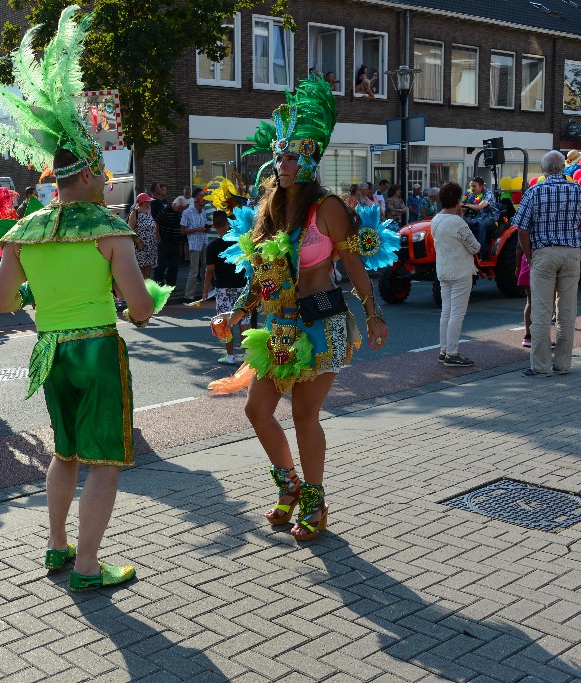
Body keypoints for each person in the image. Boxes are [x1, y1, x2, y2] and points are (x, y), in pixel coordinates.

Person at [0, 5, 165, 591]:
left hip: (52, 353)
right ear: (86, 173)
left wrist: (40, 288)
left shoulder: (25, 230)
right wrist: (145, 295)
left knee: (65, 456)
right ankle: (88, 565)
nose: (107, 175)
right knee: (104, 462)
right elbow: (139, 308)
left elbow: (3, 305)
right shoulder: (110, 228)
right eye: (102, 166)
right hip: (96, 351)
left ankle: (57, 549)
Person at [216, 74, 389, 542]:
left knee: (303, 415)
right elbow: (259, 279)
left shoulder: (327, 207)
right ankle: (288, 485)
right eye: (280, 154)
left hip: (323, 322)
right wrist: (232, 315)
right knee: (257, 409)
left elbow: (352, 262)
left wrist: (372, 312)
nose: (283, 162)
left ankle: (315, 502)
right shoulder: (266, 212)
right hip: (280, 326)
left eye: (292, 155)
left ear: (311, 157)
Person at [514, 150, 581, 377]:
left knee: (541, 311)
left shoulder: (534, 191)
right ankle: (562, 364)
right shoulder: (579, 190)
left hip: (544, 252)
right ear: (562, 167)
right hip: (570, 253)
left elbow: (522, 229)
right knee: (567, 312)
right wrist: (579, 249)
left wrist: (530, 256)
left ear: (544, 169)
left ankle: (540, 367)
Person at [431, 182, 480, 367]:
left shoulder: (435, 220)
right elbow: (475, 247)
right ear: (457, 200)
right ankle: (452, 353)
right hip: (460, 271)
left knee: (446, 312)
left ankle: (444, 350)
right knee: (457, 314)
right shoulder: (458, 222)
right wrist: (461, 218)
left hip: (443, 270)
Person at [203, 210, 249, 364]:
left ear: (214, 225)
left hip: (223, 288)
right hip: (241, 285)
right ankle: (247, 355)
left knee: (224, 322)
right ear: (228, 224)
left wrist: (205, 292)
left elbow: (210, 270)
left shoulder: (213, 246)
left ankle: (230, 355)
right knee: (243, 320)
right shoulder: (239, 242)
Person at [181, 187, 210, 300]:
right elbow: (183, 231)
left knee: (206, 269)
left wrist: (206, 229)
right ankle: (189, 295)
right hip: (194, 244)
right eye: (202, 196)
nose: (204, 198)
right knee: (194, 270)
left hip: (204, 242)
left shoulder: (203, 212)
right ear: (196, 198)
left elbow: (204, 228)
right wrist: (198, 229)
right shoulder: (187, 212)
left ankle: (206, 294)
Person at [463, 176, 499, 258]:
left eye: (474, 186)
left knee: (481, 225)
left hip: (490, 217)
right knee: (465, 222)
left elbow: (480, 206)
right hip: (477, 216)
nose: (472, 188)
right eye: (471, 186)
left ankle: (479, 251)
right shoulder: (471, 194)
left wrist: (467, 205)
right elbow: (465, 207)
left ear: (481, 186)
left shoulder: (488, 194)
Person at [153, 196, 185, 287]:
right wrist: (158, 238)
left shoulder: (180, 213)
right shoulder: (165, 211)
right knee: (161, 265)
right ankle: (158, 283)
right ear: (175, 205)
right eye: (179, 208)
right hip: (164, 242)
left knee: (174, 265)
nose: (180, 210)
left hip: (175, 243)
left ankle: (171, 284)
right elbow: (156, 223)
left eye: (181, 208)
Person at [128, 192, 159, 278]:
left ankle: (147, 288)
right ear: (143, 202)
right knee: (140, 268)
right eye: (148, 201)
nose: (149, 203)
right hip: (140, 245)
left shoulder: (149, 212)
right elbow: (130, 228)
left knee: (148, 268)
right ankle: (139, 289)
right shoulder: (135, 213)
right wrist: (138, 241)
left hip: (150, 244)